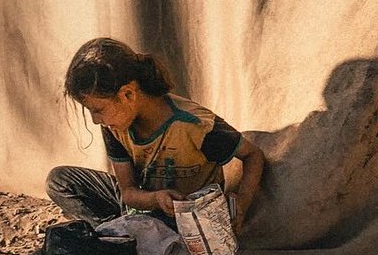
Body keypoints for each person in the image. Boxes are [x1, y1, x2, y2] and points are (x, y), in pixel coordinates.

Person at [46, 38, 265, 233]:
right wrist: (154, 199)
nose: (96, 120)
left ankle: (120, 236)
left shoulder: (194, 125)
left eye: (98, 110)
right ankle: (115, 233)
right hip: (143, 204)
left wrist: (242, 203)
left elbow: (253, 154)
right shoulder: (114, 127)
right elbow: (128, 192)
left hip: (185, 217)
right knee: (60, 181)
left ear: (128, 94)